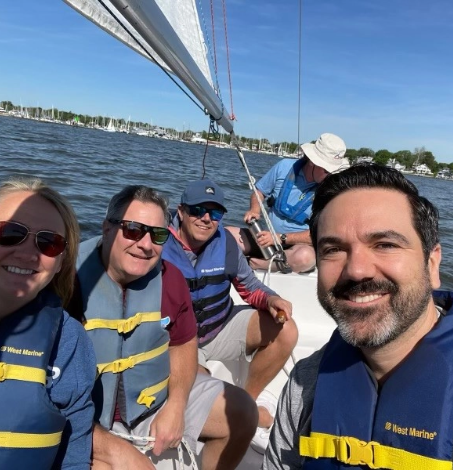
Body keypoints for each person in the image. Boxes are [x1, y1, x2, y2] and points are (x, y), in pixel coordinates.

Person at [263, 163, 451, 469]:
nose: (356, 270)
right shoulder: (305, 385)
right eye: (333, 249)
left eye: (385, 244)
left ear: (432, 264)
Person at [67, 185, 258, 470]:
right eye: (133, 229)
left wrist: (176, 406)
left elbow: (183, 344)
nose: (145, 244)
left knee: (242, 413)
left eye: (157, 235)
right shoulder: (67, 280)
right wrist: (114, 449)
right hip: (89, 420)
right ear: (107, 228)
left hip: (157, 399)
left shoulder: (172, 280)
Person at [161, 178, 298, 446]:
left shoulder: (227, 243)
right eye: (198, 210)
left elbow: (249, 287)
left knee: (287, 329)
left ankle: (249, 399)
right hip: (180, 341)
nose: (206, 219)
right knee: (203, 391)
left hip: (221, 326)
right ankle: (243, 414)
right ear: (181, 212)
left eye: (215, 213)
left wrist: (271, 300)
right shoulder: (158, 243)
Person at [0, 177, 96, 469]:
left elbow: (73, 459)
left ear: (61, 261)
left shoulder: (70, 342)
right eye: (9, 232)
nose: (27, 252)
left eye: (49, 243)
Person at [228, 132, 349, 273]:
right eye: (327, 170)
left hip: (296, 247)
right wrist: (254, 209)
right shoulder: (284, 166)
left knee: (306, 258)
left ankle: (256, 263)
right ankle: (269, 261)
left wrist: (280, 238)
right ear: (312, 161)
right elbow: (259, 192)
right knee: (227, 234)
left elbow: (321, 232)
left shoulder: (331, 188)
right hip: (264, 237)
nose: (331, 175)